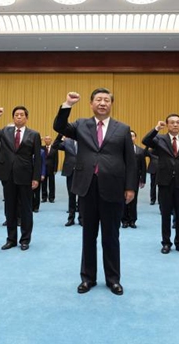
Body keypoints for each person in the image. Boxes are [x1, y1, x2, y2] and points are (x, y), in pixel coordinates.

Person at [54, 89, 137, 295]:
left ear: (111, 104)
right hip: (87, 186)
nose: (102, 103)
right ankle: (87, 278)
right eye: (98, 100)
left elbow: (131, 161)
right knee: (88, 235)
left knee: (111, 236)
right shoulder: (81, 125)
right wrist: (67, 105)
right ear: (91, 103)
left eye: (106, 100)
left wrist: (130, 187)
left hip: (113, 188)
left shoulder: (123, 128)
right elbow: (59, 126)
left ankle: (113, 279)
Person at [0, 106, 42, 251]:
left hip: (25, 175)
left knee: (26, 209)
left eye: (22, 115)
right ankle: (11, 239)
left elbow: (38, 158)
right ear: (13, 118)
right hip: (7, 175)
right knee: (10, 208)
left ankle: (25, 240)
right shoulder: (5, 131)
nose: (19, 117)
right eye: (16, 115)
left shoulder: (34, 134)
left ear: (26, 118)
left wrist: (36, 178)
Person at [142, 114, 179, 255]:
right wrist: (156, 128)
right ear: (167, 124)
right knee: (165, 214)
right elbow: (145, 140)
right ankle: (166, 242)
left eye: (178, 122)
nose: (175, 125)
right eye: (172, 122)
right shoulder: (160, 139)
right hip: (165, 182)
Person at [53, 134, 81, 227]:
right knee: (71, 195)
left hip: (82, 172)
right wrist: (60, 134)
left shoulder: (85, 141)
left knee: (82, 196)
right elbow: (55, 145)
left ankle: (82, 218)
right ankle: (71, 218)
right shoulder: (67, 141)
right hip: (70, 172)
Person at [122, 130, 147, 229]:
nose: (131, 138)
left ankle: (132, 220)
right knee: (123, 199)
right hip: (122, 178)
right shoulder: (121, 150)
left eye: (133, 136)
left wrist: (143, 179)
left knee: (133, 199)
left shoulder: (140, 151)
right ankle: (124, 220)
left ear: (135, 138)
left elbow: (143, 167)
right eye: (129, 136)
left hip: (135, 179)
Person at [41, 135, 59, 203]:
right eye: (46, 139)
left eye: (49, 139)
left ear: (51, 140)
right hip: (43, 169)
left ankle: (51, 198)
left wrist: (55, 169)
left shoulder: (54, 149)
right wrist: (40, 140)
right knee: (43, 184)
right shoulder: (41, 148)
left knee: (51, 184)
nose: (47, 140)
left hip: (51, 169)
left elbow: (56, 160)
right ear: (44, 140)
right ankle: (44, 197)